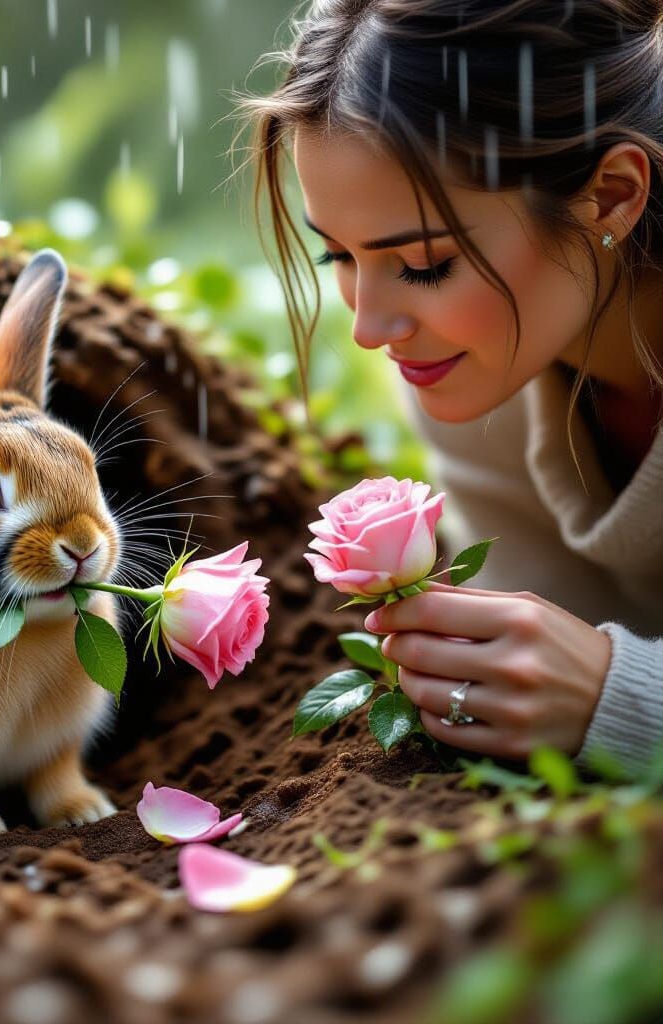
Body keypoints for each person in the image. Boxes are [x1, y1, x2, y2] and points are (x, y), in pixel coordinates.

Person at [237, 0, 663, 775]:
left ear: (610, 196)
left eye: (426, 264)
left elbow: (588, 689)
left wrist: (625, 699)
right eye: (338, 257)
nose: (369, 328)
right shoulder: (472, 378)